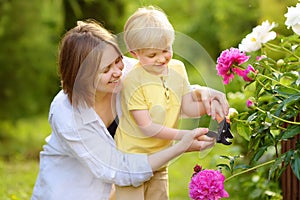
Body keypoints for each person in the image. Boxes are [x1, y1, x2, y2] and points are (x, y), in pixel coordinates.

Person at [31, 20, 228, 200]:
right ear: (83, 76)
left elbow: (162, 99)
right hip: (74, 193)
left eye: (118, 60)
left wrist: (204, 93)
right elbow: (118, 170)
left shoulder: (130, 72)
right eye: (106, 70)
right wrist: (180, 146)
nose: (118, 71)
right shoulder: (66, 114)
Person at [114, 6, 225, 200]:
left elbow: (187, 107)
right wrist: (185, 137)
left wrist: (208, 107)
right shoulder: (133, 80)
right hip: (132, 162)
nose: (161, 58)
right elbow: (147, 127)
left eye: (166, 50)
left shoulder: (177, 68)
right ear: (134, 53)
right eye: (152, 55)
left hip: (161, 159)